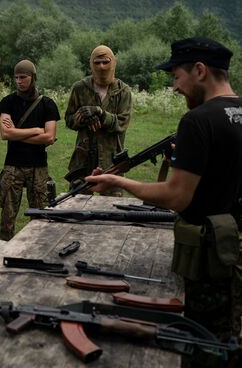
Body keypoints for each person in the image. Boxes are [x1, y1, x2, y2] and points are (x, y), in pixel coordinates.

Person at [85, 37, 241, 367]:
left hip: (210, 265)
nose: (174, 87)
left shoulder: (197, 121)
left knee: (202, 344)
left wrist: (116, 181)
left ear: (200, 70)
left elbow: (175, 196)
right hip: (236, 256)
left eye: (176, 76)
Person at [0, 60, 59, 241]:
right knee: (7, 215)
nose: (18, 81)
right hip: (12, 165)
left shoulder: (47, 104)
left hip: (38, 166)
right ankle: (3, 250)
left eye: (23, 77)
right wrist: (35, 130)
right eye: (16, 77)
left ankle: (38, 249)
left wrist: (18, 133)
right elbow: (5, 133)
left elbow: (49, 137)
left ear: (33, 77)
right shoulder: (7, 102)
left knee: (40, 214)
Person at [65, 45, 132, 196]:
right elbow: (69, 120)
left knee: (111, 207)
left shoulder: (122, 91)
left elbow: (122, 123)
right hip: (83, 158)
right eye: (97, 62)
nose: (101, 67)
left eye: (105, 62)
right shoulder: (80, 88)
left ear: (113, 62)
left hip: (111, 159)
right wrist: (84, 118)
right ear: (91, 64)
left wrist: (100, 113)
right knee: (77, 202)